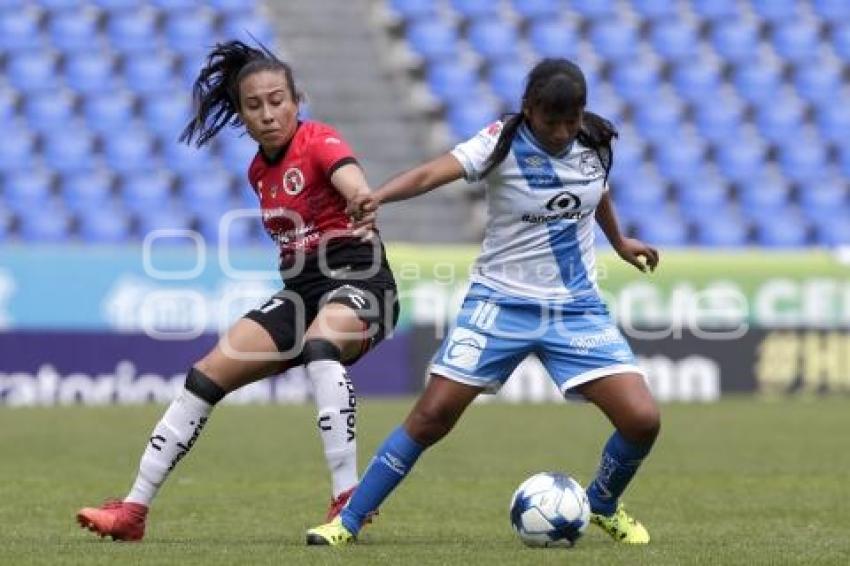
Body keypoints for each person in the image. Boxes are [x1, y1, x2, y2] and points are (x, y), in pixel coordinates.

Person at [306, 58, 661, 546]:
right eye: (551, 120)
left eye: (571, 120)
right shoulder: (499, 143)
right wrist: (379, 196)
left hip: (574, 309)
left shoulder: (595, 142)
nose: (562, 131)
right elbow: (433, 172)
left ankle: (602, 501)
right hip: (499, 305)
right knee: (432, 417)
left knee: (642, 420)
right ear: (529, 109)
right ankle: (346, 522)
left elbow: (595, 192)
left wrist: (620, 242)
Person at [76, 41, 398, 541]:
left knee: (320, 345)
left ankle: (346, 498)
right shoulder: (257, 172)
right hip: (302, 293)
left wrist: (360, 196)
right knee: (204, 376)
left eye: (277, 101)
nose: (268, 114)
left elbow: (349, 177)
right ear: (241, 114)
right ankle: (133, 511)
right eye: (254, 105)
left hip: (361, 280)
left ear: (296, 101)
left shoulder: (318, 140)